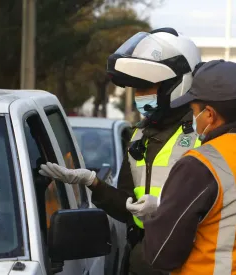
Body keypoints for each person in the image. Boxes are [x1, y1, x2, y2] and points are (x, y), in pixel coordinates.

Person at [39, 27, 202, 275]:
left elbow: (220, 207)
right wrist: (93, 183)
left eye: (147, 87)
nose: (140, 96)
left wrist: (162, 208)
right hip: (141, 261)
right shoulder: (139, 136)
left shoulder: (202, 135)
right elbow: (127, 207)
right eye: (137, 90)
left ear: (176, 84)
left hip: (186, 263)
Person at [136, 60, 236, 274]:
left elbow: (161, 255)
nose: (192, 117)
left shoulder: (199, 165)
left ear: (210, 114)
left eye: (193, 110)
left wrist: (159, 217)